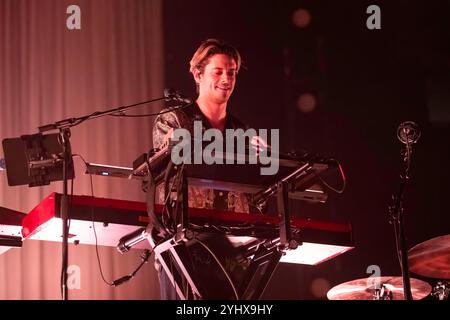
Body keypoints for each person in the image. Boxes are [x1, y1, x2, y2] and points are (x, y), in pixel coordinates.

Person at [152, 38, 263, 300]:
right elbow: (170, 168)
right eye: (218, 71)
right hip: (183, 244)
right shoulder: (173, 120)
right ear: (198, 74)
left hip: (232, 247)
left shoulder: (241, 130)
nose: (227, 78)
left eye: (232, 72)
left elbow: (255, 191)